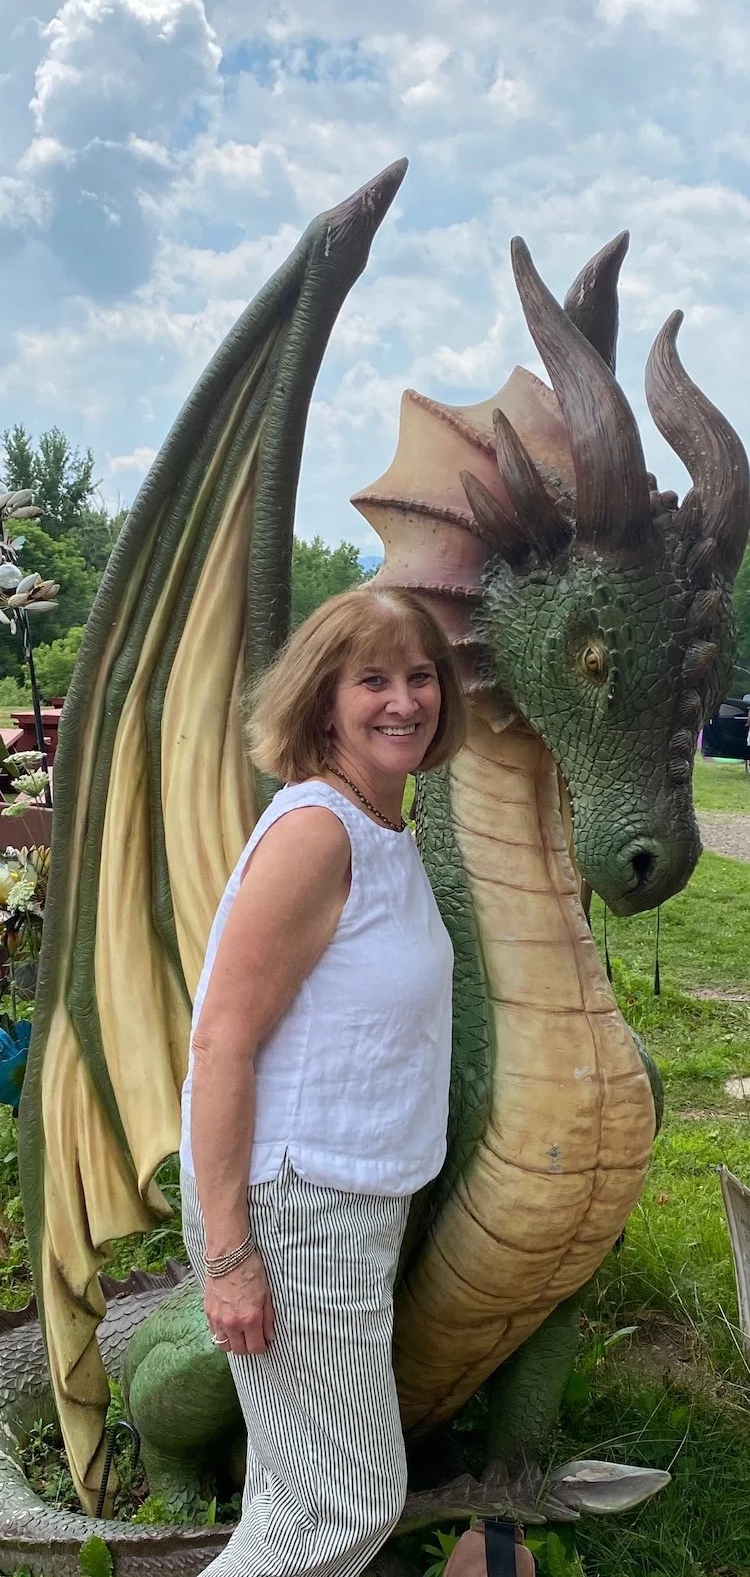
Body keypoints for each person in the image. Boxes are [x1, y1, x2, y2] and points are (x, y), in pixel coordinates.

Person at [178, 584, 468, 1577]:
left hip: (345, 1203)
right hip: (293, 1209)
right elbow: (219, 1043)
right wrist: (228, 1255)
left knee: (294, 1497)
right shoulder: (316, 834)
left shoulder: (380, 824)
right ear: (322, 701)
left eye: (420, 674)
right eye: (372, 679)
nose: (403, 699)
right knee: (347, 1502)